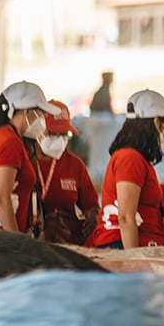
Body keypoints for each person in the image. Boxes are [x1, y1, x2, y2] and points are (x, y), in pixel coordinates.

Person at [86, 89, 164, 249]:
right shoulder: (130, 158)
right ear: (157, 122)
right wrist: (134, 259)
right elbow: (125, 218)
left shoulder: (137, 159)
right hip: (120, 247)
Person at [0, 81, 60, 233]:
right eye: (41, 112)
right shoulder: (9, 142)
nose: (44, 118)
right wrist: (17, 243)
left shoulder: (8, 137)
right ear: (27, 111)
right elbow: (2, 199)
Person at [34, 99, 100, 245]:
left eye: (64, 134)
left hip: (67, 242)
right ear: (38, 130)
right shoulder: (24, 160)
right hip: (31, 243)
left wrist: (92, 216)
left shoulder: (74, 165)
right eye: (53, 133)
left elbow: (92, 206)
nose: (59, 140)